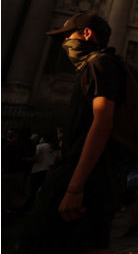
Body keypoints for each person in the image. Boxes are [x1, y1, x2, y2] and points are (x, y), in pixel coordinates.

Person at [22, 13, 126, 253]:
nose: (65, 42)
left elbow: (102, 123)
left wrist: (74, 187)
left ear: (86, 33)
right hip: (93, 176)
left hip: (83, 174)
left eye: (69, 36)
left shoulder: (100, 64)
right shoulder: (98, 65)